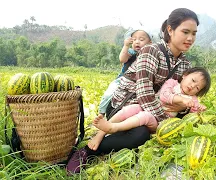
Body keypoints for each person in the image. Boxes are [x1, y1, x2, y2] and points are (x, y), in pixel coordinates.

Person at [66, 8, 200, 174]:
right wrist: (165, 121)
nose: (190, 38)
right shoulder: (151, 51)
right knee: (140, 135)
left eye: (194, 33)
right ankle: (88, 150)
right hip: (124, 105)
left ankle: (112, 135)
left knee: (164, 129)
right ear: (170, 30)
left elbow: (181, 93)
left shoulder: (185, 65)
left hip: (150, 109)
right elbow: (144, 93)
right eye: (185, 32)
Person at [92, 67, 211, 134]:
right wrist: (181, 100)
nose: (192, 86)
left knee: (145, 116)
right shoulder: (172, 83)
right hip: (150, 108)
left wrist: (199, 110)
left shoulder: (193, 100)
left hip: (160, 123)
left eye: (197, 88)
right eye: (193, 80)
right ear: (185, 75)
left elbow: (192, 116)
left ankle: (114, 128)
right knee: (132, 108)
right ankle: (105, 129)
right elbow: (164, 96)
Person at [98, 29, 153, 115]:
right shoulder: (131, 52)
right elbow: (122, 59)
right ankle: (101, 113)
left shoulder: (151, 56)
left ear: (150, 43)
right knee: (108, 94)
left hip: (137, 84)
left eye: (141, 40)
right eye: (134, 40)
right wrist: (126, 46)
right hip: (122, 80)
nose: (137, 42)